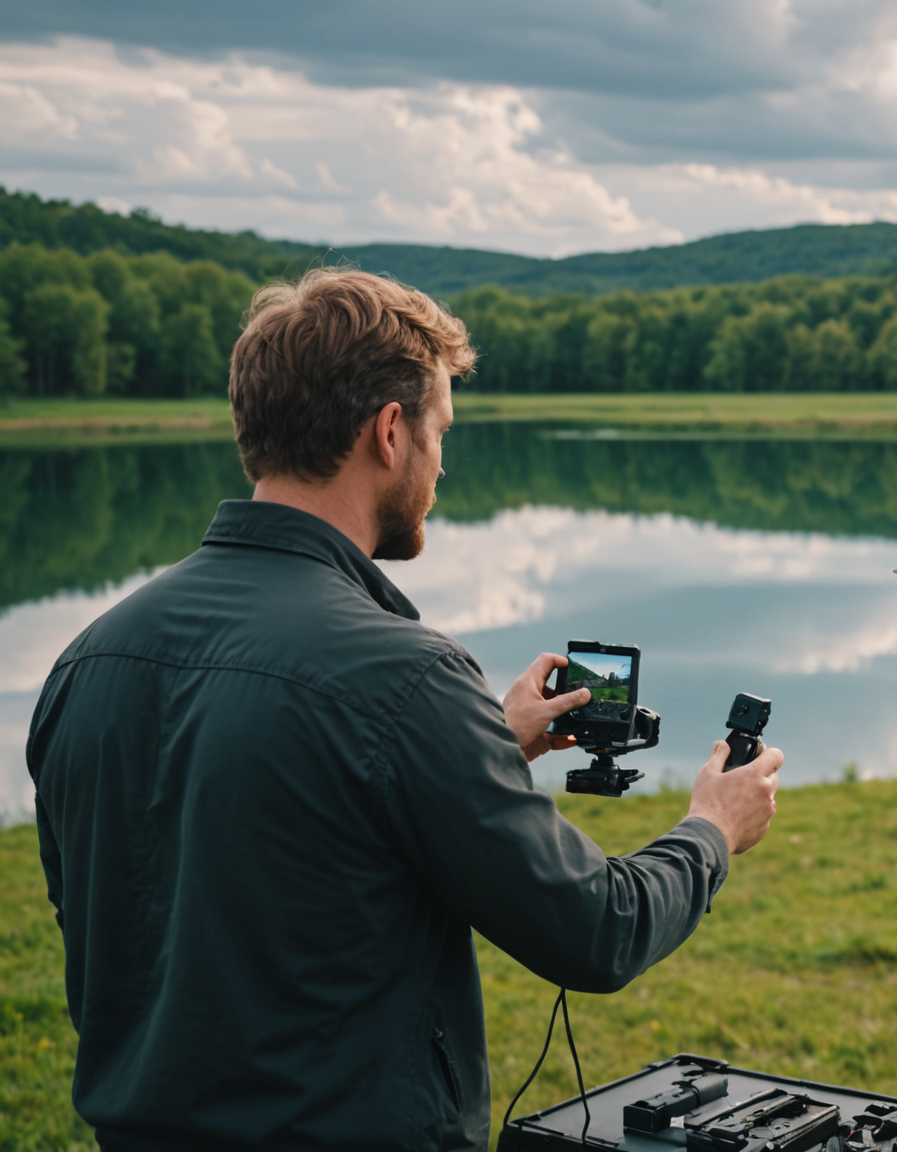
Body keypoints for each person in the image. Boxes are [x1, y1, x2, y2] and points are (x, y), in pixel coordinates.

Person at [27, 267, 784, 1151]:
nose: (443, 463)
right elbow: (597, 932)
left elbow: (152, 905)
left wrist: (482, 745)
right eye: (439, 431)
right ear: (390, 432)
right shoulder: (407, 678)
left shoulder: (89, 659)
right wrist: (710, 830)